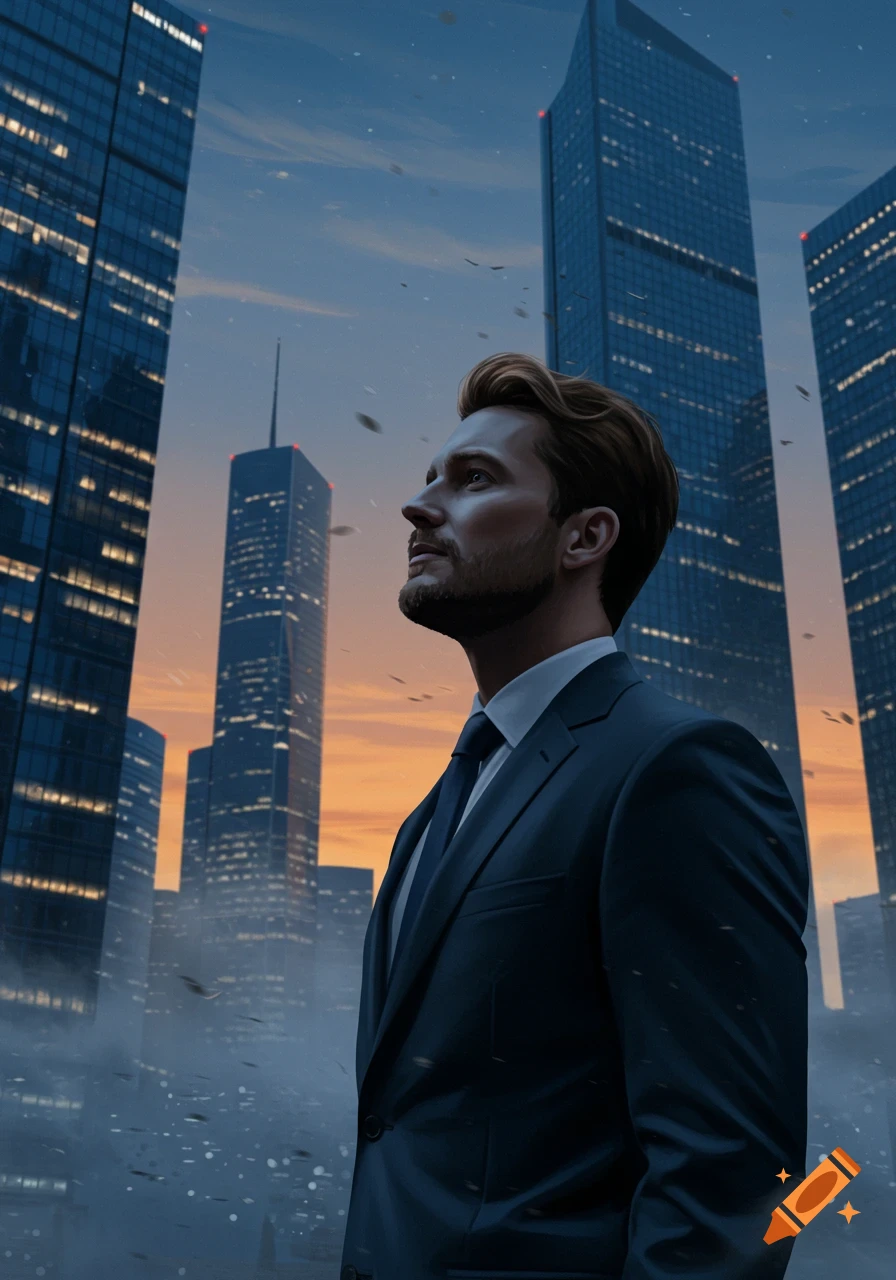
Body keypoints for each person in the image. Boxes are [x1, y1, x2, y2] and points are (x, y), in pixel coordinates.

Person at [340, 352, 810, 1280]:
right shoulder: (434, 813)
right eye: (430, 475)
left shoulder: (679, 770)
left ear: (584, 537)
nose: (418, 506)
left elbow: (734, 1185)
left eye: (474, 480)